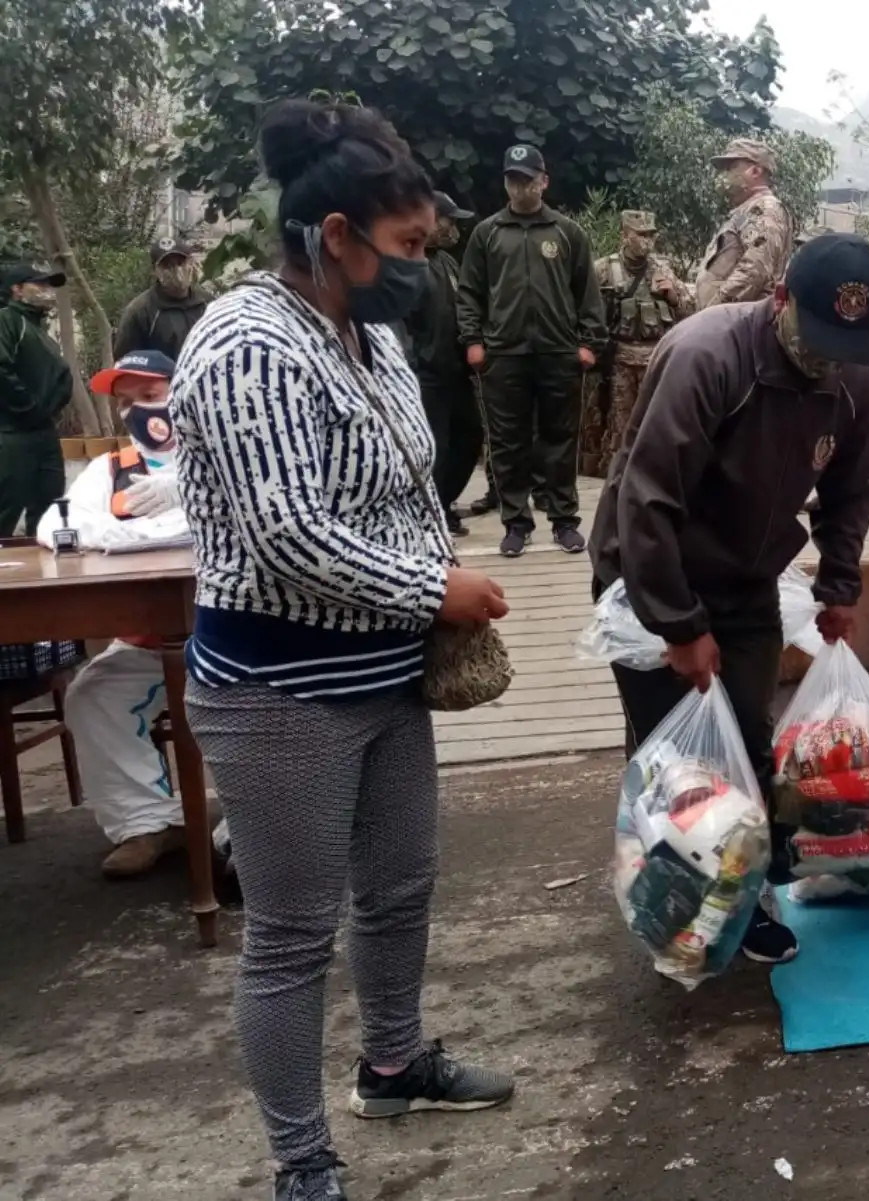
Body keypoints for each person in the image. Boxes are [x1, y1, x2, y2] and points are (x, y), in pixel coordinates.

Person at [169, 98, 515, 1201]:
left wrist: (436, 576)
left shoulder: (370, 340)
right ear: (336, 234)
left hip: (385, 676)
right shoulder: (248, 344)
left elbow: (408, 485)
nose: (420, 266)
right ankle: (302, 1159)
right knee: (290, 934)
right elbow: (288, 532)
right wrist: (433, 587)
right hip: (279, 689)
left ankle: (394, 1065)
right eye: (407, 244)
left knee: (401, 886)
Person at [588, 232, 869, 965]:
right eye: (817, 339)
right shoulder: (708, 356)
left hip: (749, 576)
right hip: (653, 570)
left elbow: (851, 492)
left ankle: (741, 896)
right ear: (780, 298)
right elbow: (648, 499)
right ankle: (669, 899)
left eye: (843, 346)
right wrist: (679, 626)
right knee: (673, 755)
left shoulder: (849, 380)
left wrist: (839, 585)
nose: (826, 360)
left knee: (746, 738)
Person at [32, 350, 237, 880]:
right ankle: (149, 823)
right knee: (93, 695)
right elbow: (56, 526)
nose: (140, 411)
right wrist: (129, 533)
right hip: (148, 640)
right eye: (126, 403)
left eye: (150, 395)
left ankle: (246, 834)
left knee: (257, 704)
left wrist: (173, 511)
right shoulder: (110, 468)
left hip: (237, 636)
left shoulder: (229, 454)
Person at [456, 144, 606, 557]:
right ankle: (516, 524)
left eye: (527, 179)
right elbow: (469, 293)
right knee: (508, 443)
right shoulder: (487, 233)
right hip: (504, 354)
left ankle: (564, 521)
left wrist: (589, 344)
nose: (520, 187)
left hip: (559, 353)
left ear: (544, 181)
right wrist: (473, 341)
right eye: (512, 179)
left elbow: (587, 293)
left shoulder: (567, 233)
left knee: (561, 440)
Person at [585, 209, 693, 477]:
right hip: (620, 361)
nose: (647, 241)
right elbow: (586, 312)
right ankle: (618, 478)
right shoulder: (603, 270)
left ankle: (652, 476)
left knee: (655, 423)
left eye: (651, 235)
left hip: (655, 360)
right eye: (641, 234)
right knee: (620, 426)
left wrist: (673, 296)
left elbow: (691, 310)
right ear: (625, 236)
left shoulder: (662, 269)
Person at [405, 191, 483, 536]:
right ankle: (430, 515)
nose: (455, 229)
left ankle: (443, 502)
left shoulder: (448, 263)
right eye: (450, 221)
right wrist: (414, 362)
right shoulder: (409, 266)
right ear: (432, 220)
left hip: (456, 373)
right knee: (435, 446)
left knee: (470, 438)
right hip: (427, 376)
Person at [0, 262, 72, 537]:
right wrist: (28, 407)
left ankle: (43, 564)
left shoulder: (36, 328)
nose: (47, 290)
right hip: (14, 434)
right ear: (17, 289)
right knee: (6, 509)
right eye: (39, 283)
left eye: (49, 284)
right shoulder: (7, 321)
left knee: (50, 512)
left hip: (44, 431)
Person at [696, 138, 793, 309]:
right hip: (726, 318)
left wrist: (711, 312)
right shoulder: (746, 211)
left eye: (732, 167)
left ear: (755, 171)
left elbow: (754, 271)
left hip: (741, 321)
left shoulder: (765, 209)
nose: (725, 175)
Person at [114, 239, 214, 361]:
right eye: (167, 266)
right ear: (155, 271)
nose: (176, 270)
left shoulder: (208, 304)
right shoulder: (140, 312)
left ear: (190, 263)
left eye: (180, 263)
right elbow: (125, 362)